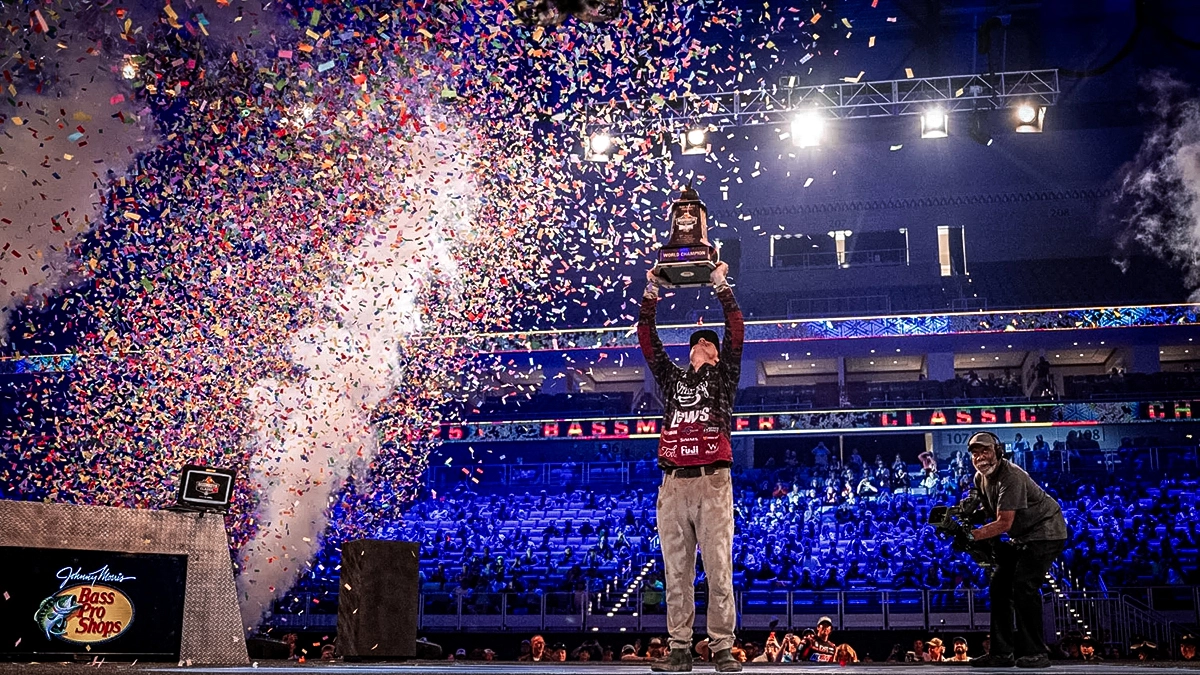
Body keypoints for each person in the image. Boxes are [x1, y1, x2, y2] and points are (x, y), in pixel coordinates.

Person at [640, 261, 744, 674]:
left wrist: (720, 284)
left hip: (712, 479)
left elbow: (736, 329)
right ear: (689, 352)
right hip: (673, 483)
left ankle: (722, 648)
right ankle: (680, 648)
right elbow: (648, 342)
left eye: (709, 341)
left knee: (718, 568)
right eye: (697, 340)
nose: (703, 343)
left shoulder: (724, 377)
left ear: (716, 354)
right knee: (676, 573)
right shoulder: (673, 380)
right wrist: (651, 291)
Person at [967, 431, 1069, 669]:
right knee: (999, 586)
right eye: (975, 453)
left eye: (985, 451)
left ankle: (1036, 652)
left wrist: (972, 535)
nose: (980, 457)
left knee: (1024, 585)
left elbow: (1004, 523)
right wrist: (965, 518)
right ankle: (1001, 653)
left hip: (1045, 531)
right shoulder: (980, 478)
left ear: (998, 451)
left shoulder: (1011, 476)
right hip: (1022, 535)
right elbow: (991, 511)